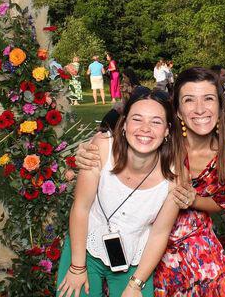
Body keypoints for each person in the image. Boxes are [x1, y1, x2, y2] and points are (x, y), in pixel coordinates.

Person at [77, 67, 225, 296]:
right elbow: (118, 138)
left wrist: (193, 199)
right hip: (141, 236)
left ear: (219, 105)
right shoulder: (160, 135)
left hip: (195, 240)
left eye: (208, 99)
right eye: (189, 100)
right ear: (177, 110)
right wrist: (87, 151)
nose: (200, 109)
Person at [56, 89, 182, 297]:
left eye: (156, 122)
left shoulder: (175, 177)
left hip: (133, 259)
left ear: (167, 131)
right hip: (84, 247)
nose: (145, 129)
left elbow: (160, 233)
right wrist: (77, 267)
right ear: (124, 124)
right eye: (137, 119)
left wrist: (135, 285)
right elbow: (81, 207)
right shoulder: (102, 148)